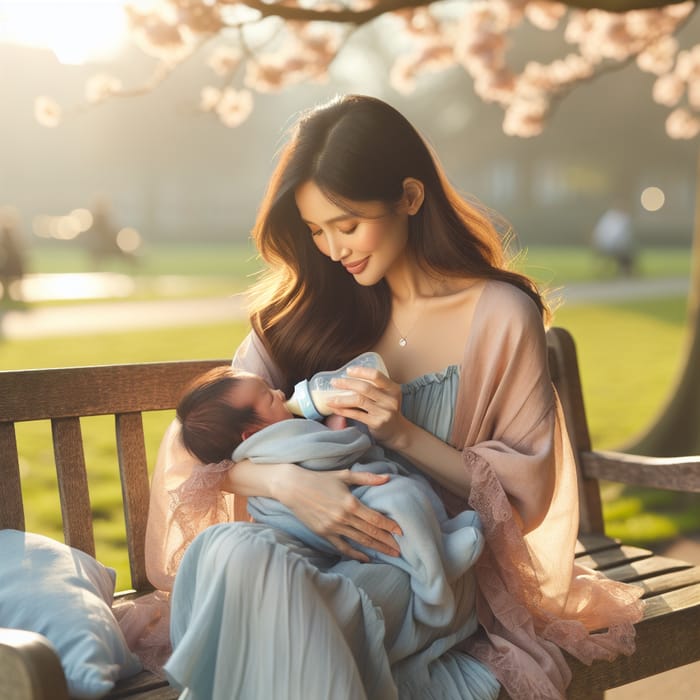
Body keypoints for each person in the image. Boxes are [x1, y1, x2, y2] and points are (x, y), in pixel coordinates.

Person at [138, 94, 644, 700]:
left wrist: (403, 434)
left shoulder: (500, 317)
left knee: (274, 591)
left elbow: (522, 497)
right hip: (300, 557)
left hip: (423, 580)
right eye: (315, 230)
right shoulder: (302, 316)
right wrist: (287, 485)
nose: (332, 250)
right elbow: (202, 447)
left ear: (409, 197)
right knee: (232, 551)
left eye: (347, 226)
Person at [173, 365, 484, 646]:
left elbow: (319, 448)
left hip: (328, 539)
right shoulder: (280, 439)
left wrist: (334, 426)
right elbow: (333, 452)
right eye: (268, 397)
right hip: (321, 522)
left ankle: (428, 557)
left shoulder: (266, 439)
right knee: (399, 498)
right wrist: (344, 435)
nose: (280, 392)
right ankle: (434, 575)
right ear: (251, 434)